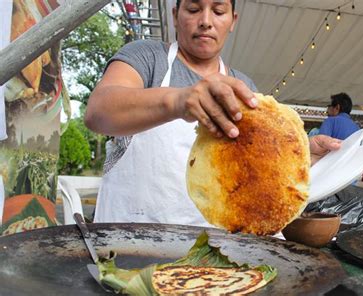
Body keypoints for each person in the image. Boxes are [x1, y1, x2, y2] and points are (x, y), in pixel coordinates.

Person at [85, 0, 341, 225]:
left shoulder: (243, 88)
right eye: (194, 9)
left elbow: (253, 172)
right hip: (130, 242)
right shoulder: (147, 57)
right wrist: (178, 100)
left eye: (218, 11)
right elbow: (98, 112)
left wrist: (300, 157)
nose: (205, 21)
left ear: (233, 21)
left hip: (211, 252)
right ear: (175, 16)